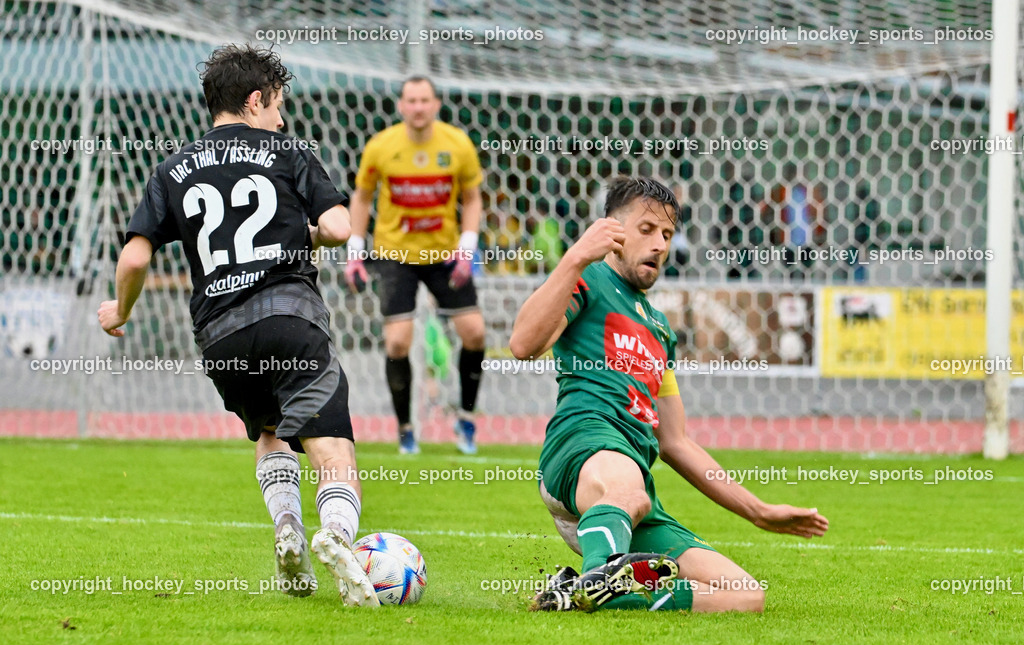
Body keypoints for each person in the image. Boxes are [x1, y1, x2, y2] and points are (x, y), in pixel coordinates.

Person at [97, 44, 379, 606]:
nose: (282, 118)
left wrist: (120, 311)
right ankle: (340, 539)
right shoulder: (287, 152)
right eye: (277, 105)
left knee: (270, 430)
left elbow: (133, 259)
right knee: (332, 446)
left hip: (220, 336)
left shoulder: (172, 169)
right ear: (254, 101)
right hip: (288, 317)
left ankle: (287, 531)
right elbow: (342, 227)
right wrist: (306, 230)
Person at [510, 176, 829, 612]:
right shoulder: (589, 281)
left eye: (667, 234)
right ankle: (602, 574)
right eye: (646, 230)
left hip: (630, 495)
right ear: (612, 231)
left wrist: (759, 510)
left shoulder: (661, 330)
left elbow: (675, 442)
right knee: (630, 490)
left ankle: (589, 595)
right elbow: (523, 345)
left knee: (745, 596)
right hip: (583, 443)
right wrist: (576, 257)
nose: (659, 244)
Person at [345, 75, 485, 455]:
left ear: (436, 104)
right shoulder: (381, 146)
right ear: (402, 106)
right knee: (397, 341)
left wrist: (467, 248)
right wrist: (355, 250)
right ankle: (406, 428)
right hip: (395, 254)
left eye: (425, 99)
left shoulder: (457, 145)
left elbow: (472, 199)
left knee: (474, 333)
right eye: (411, 100)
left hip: (443, 254)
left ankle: (467, 420)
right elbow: (361, 198)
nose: (418, 106)